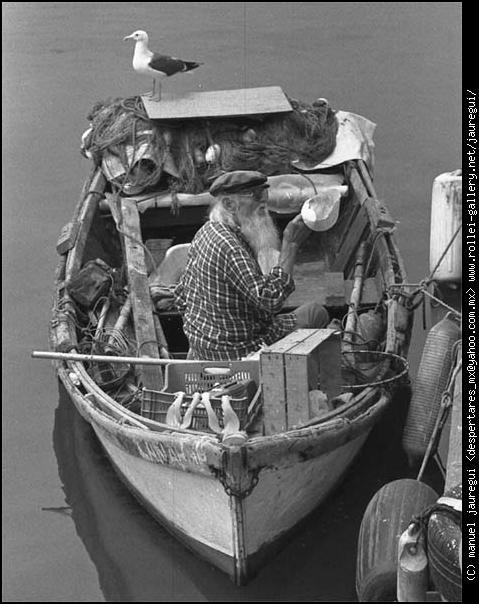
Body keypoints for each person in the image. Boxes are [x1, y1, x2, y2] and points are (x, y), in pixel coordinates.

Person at [174, 170, 329, 360]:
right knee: (315, 312)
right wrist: (291, 244)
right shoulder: (230, 247)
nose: (263, 203)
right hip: (240, 351)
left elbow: (181, 296)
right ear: (229, 204)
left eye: (264, 194)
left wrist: (199, 341)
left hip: (205, 347)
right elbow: (271, 301)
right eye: (255, 196)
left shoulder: (206, 231)